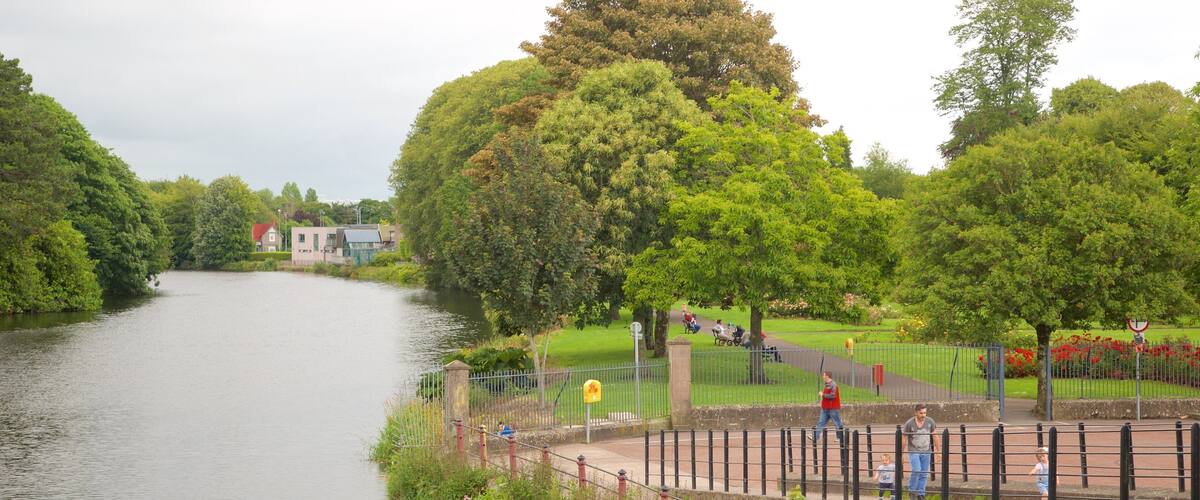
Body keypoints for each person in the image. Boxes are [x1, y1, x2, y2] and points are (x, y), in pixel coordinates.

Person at [902, 404, 939, 500]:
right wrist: (901, 454)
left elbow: (935, 436)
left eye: (925, 413)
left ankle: (921, 494)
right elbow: (904, 438)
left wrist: (938, 451)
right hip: (914, 451)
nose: (923, 415)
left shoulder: (930, 421)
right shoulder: (909, 423)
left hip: (926, 451)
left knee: (924, 473)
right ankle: (912, 491)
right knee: (916, 470)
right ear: (916, 413)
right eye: (921, 413)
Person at [811, 371, 844, 444]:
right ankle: (815, 437)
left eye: (824, 375)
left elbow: (833, 396)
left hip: (833, 408)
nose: (823, 377)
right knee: (821, 422)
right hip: (825, 408)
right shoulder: (827, 385)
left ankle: (841, 438)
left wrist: (823, 395)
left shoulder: (833, 385)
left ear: (827, 376)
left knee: (837, 423)